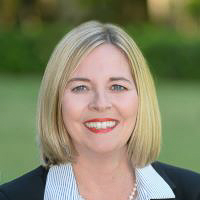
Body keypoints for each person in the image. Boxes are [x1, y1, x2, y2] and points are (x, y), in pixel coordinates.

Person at [0, 20, 199, 200]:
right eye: (80, 87)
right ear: (55, 101)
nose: (101, 103)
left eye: (118, 87)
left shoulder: (193, 191)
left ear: (141, 98)